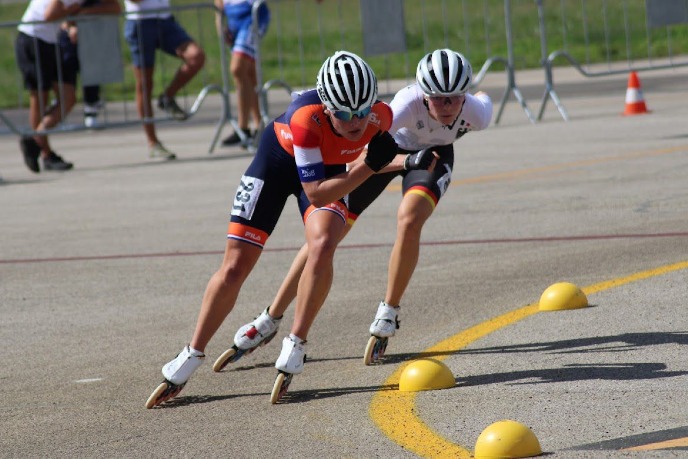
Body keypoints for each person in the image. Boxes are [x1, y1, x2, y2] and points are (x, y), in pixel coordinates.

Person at [146, 51, 398, 408]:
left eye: (361, 111)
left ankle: (296, 341)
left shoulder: (381, 116)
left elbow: (388, 152)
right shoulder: (306, 119)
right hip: (277, 165)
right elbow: (316, 192)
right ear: (327, 107)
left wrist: (404, 160)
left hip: (328, 171)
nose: (355, 121)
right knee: (235, 266)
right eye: (343, 113)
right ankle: (192, 351)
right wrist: (370, 165)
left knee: (324, 243)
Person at [224, 49, 493, 363]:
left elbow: (484, 98)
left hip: (433, 157)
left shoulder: (476, 112)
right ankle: (271, 316)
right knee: (325, 239)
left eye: (455, 98)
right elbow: (367, 156)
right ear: (423, 95)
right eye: (437, 98)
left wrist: (422, 156)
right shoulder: (405, 107)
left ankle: (389, 311)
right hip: (387, 158)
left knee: (410, 218)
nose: (447, 107)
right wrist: (406, 160)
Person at [215, 0, 322, 148]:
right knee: (249, 72)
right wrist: (219, 22)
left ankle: (245, 128)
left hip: (252, 15)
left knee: (237, 69)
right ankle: (255, 127)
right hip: (233, 16)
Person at [123, 0, 206, 160]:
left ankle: (167, 97)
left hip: (165, 20)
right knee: (145, 84)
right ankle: (153, 142)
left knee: (196, 56)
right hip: (140, 22)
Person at [15, 0, 88, 173]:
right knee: (40, 98)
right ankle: (46, 154)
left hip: (50, 42)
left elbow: (111, 6)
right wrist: (72, 11)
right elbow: (49, 15)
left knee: (68, 97)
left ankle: (34, 139)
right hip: (33, 39)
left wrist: (72, 21)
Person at [57, 0, 121, 129]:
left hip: (92, 35)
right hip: (69, 37)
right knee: (67, 76)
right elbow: (55, 13)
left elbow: (115, 7)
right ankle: (58, 114)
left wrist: (84, 13)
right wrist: (70, 26)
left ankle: (91, 110)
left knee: (92, 74)